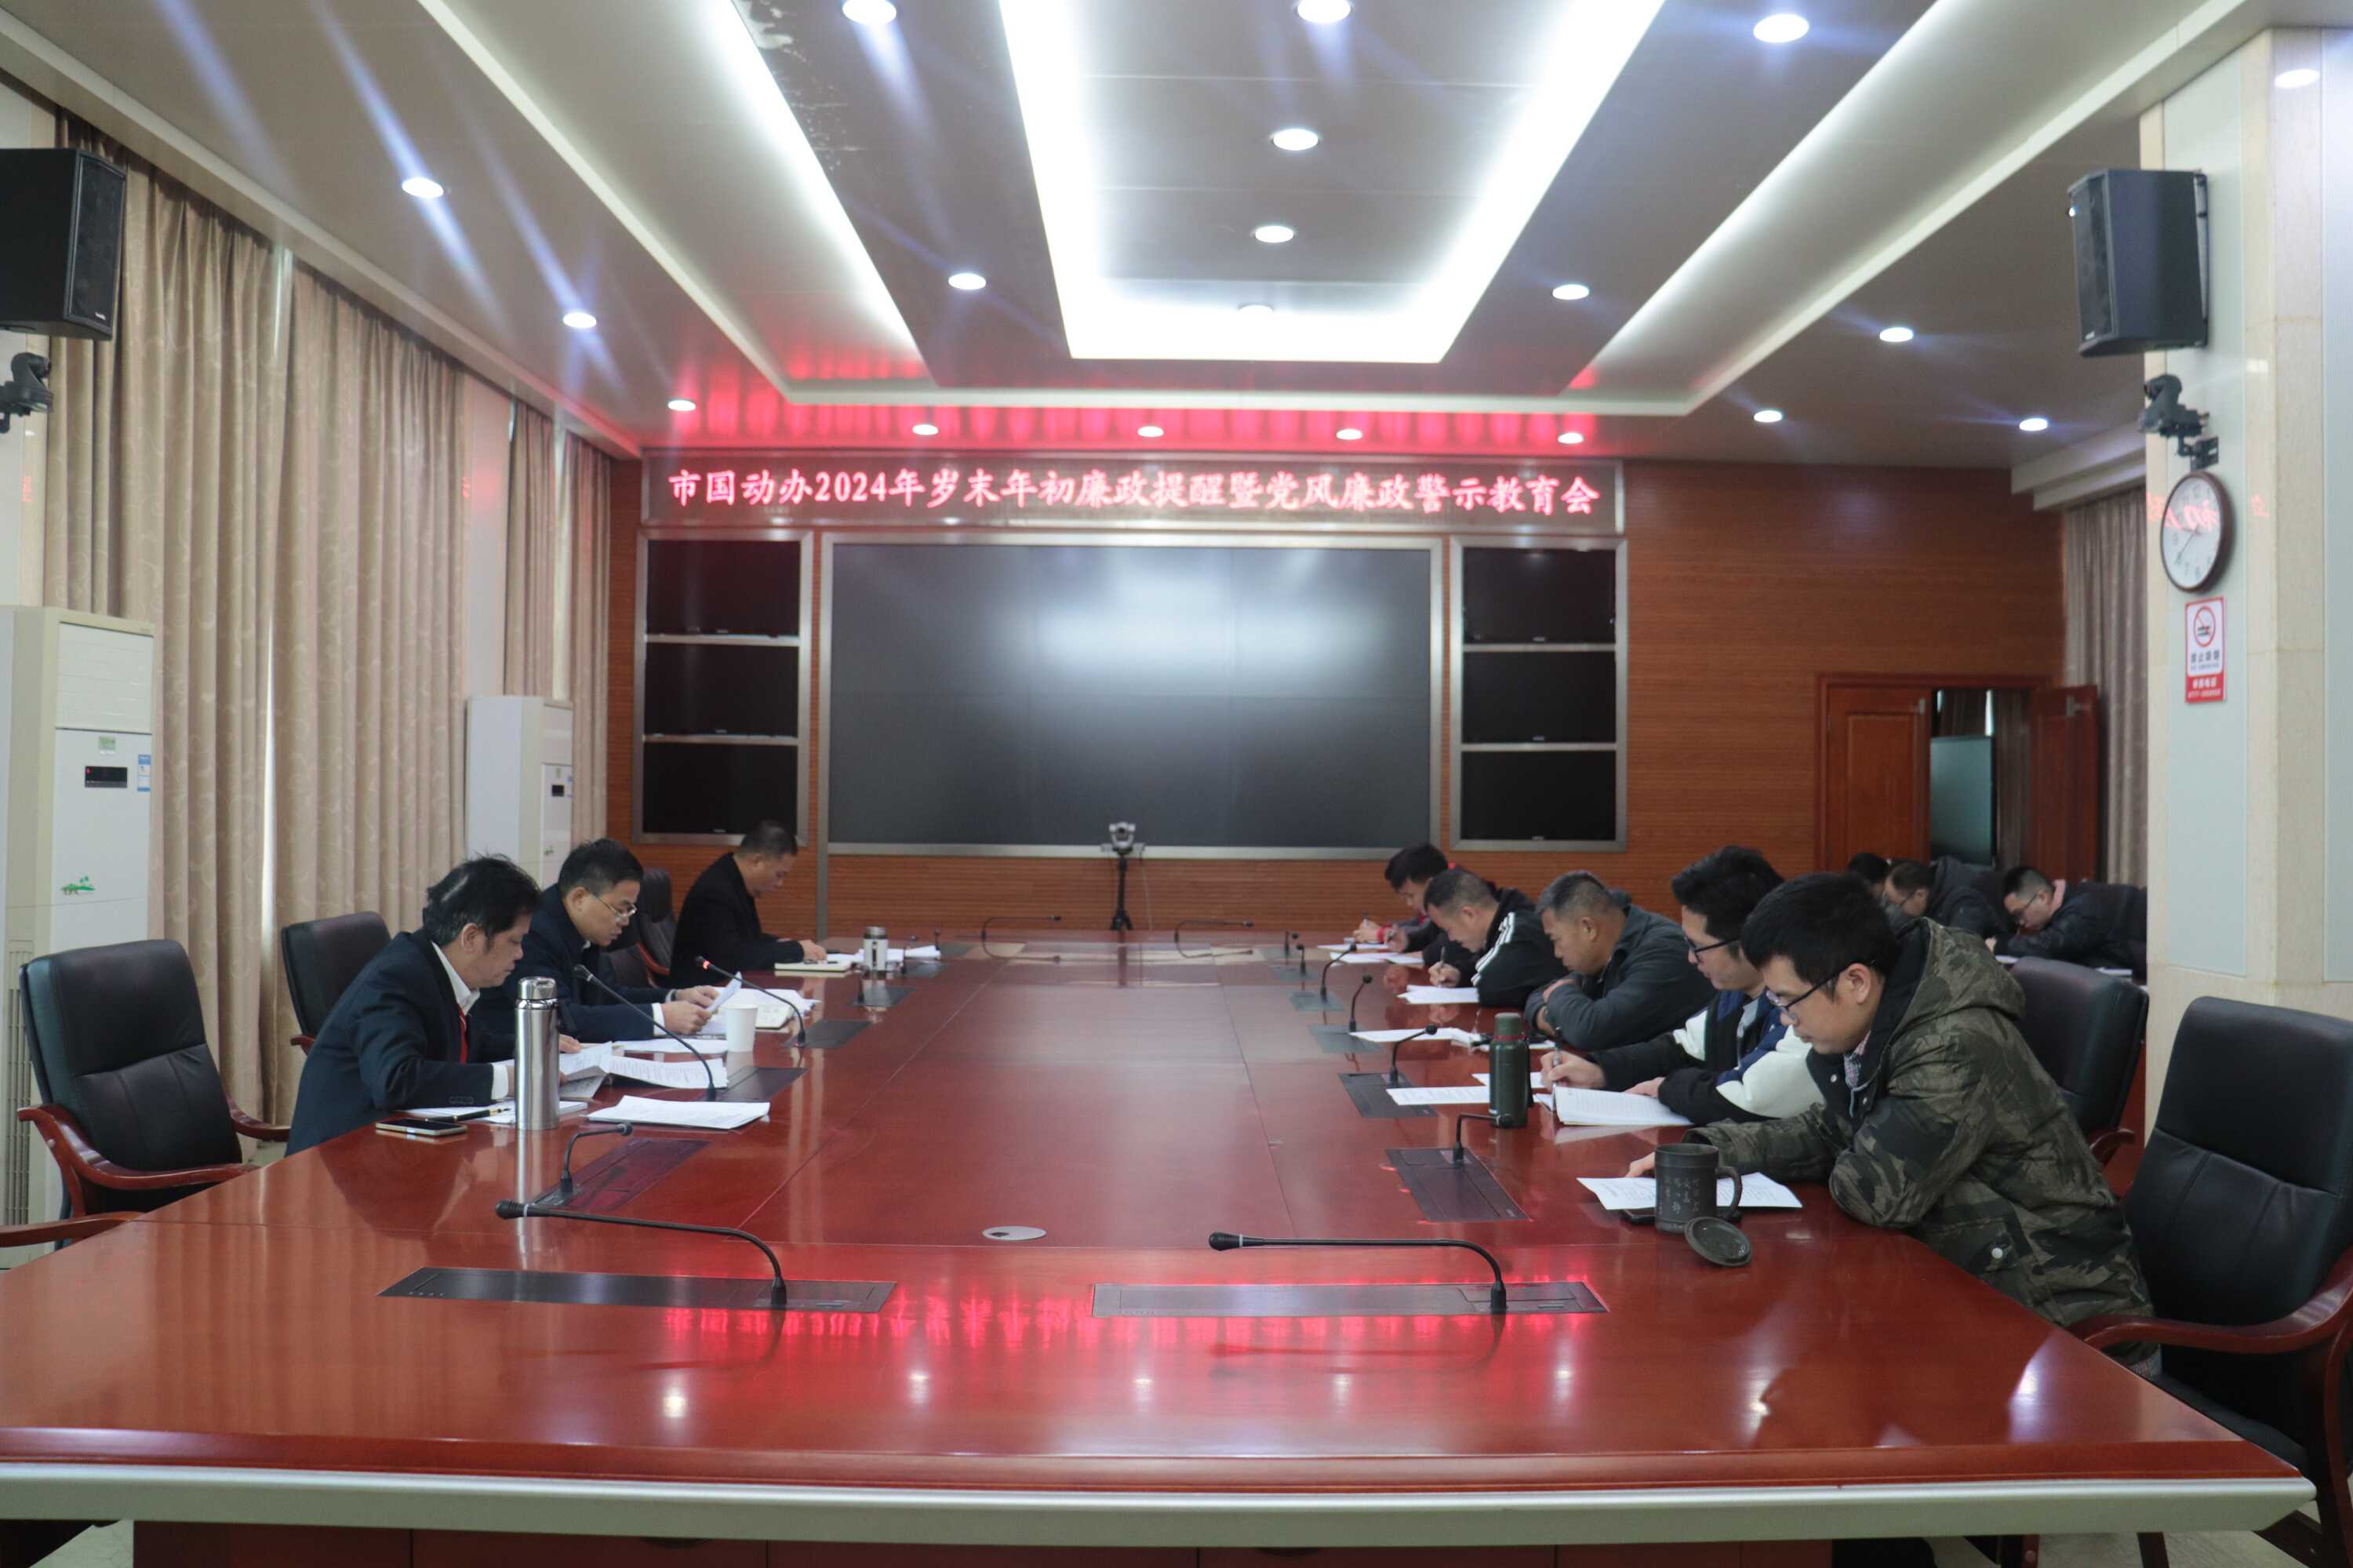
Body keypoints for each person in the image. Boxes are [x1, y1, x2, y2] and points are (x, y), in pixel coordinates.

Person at [1633, 872, 2152, 1347]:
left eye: (1789, 1001)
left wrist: (1850, 1135)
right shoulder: (1889, 1016)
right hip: (1972, 1286)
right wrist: (1712, 1150)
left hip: (2062, 1322)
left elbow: (1874, 1193)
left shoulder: (1951, 1044)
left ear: (1856, 982)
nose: (1787, 1021)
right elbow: (1832, 1128)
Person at [1540, 848, 1821, 1125]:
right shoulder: (1735, 995)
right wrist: (1599, 1071)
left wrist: (1668, 1089)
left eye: (1697, 946)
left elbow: (1747, 1095)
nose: (1691, 958)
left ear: (1748, 940)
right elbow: (1680, 1049)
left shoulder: (1805, 1006)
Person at [288, 856, 546, 1155]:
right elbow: (396, 1080)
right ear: (471, 937)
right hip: (339, 1160)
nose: (520, 954)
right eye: (514, 941)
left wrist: (536, 1048)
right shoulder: (396, 978)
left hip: (398, 1148)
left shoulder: (436, 968)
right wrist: (507, 1080)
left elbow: (470, 1045)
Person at [473, 839, 724, 1050]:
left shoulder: (581, 929)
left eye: (630, 911)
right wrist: (660, 1017)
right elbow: (558, 1020)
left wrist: (675, 996)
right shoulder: (534, 932)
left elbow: (607, 995)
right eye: (620, 910)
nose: (625, 921)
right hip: (509, 1058)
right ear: (580, 898)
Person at [1527, 871, 1714, 1059]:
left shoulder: (1664, 951)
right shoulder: (1605, 951)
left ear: (1588, 928)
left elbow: (1592, 1032)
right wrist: (1564, 1018)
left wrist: (1560, 998)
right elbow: (1538, 996)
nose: (1557, 953)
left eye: (1556, 940)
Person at [671, 820, 826, 983]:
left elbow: (747, 940)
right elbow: (732, 959)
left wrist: (778, 943)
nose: (780, 884)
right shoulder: (715, 891)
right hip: (701, 990)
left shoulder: (734, 878)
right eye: (779, 875)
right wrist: (795, 950)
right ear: (757, 861)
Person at [1419, 868, 1563, 1010]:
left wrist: (1472, 978)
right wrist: (1460, 975)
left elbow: (1489, 985)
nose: (1450, 939)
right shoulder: (1503, 923)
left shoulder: (1518, 928)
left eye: (1448, 929)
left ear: (1469, 915)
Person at [1996, 867, 2147, 972]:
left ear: (2042, 897)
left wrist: (2000, 945)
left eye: (2020, 914)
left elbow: (2053, 945)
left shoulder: (2083, 908)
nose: (2021, 922)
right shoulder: (2056, 915)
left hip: (2116, 989)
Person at [1881, 857, 2006, 941]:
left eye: (1900, 904)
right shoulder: (1933, 896)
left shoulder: (1963, 901)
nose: (1900, 911)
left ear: (1920, 894)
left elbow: (1961, 952)